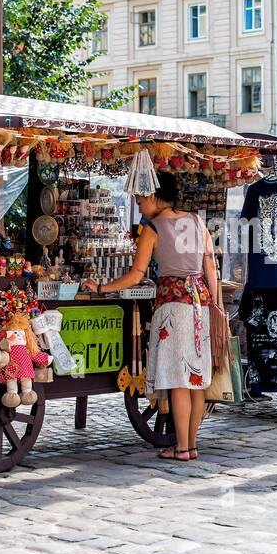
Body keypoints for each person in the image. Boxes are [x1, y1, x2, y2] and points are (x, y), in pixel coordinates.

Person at [84, 172, 218, 461]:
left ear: (157, 196)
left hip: (173, 305)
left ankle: (181, 448)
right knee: (195, 381)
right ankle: (191, 446)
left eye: (142, 198)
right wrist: (216, 306)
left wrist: (102, 288)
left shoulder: (153, 228)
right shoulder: (198, 222)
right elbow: (211, 268)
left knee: (178, 381)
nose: (140, 204)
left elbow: (135, 275)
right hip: (200, 306)